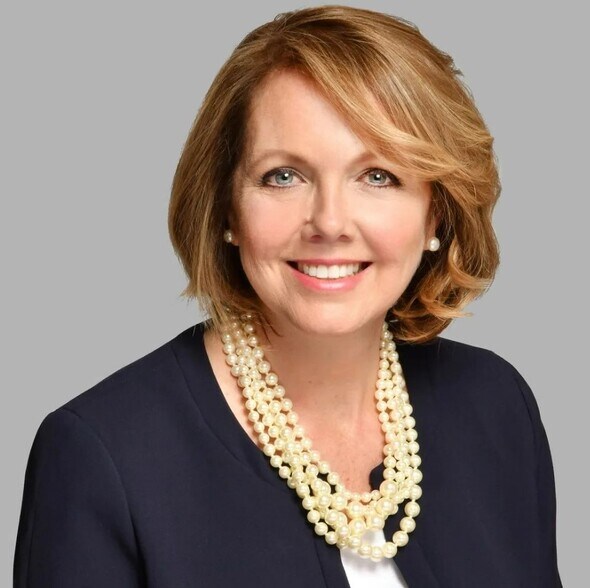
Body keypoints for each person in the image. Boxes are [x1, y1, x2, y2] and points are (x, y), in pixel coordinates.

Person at [13, 5, 561, 587]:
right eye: (283, 176)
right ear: (227, 207)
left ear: (436, 213)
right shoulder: (104, 455)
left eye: (378, 175)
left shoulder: (494, 406)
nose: (330, 223)